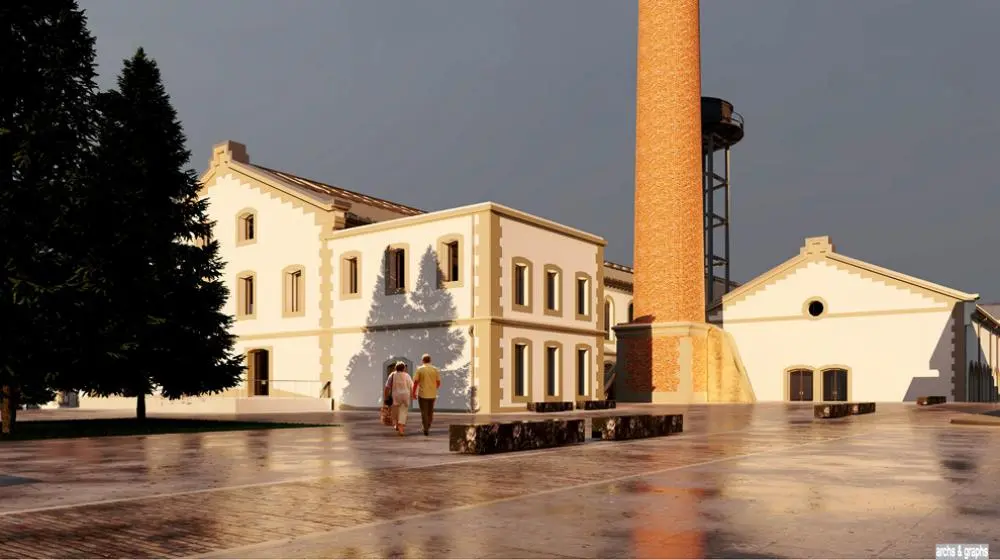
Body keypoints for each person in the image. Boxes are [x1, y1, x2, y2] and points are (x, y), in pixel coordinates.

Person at [411, 353, 441, 436]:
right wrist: (434, 388)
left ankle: (425, 428)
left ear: (422, 360)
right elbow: (438, 382)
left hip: (423, 394)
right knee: (430, 411)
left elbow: (416, 382)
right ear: (430, 360)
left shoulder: (420, 369)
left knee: (424, 412)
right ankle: (428, 424)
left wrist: (413, 393)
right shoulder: (435, 369)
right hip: (432, 394)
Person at [384, 361, 413, 435]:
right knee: (403, 411)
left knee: (395, 411)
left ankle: (397, 424)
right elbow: (411, 386)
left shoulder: (392, 375)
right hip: (405, 395)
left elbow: (387, 387)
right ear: (404, 368)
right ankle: (400, 427)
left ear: (395, 368)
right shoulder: (407, 376)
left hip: (396, 396)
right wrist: (413, 395)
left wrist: (386, 397)